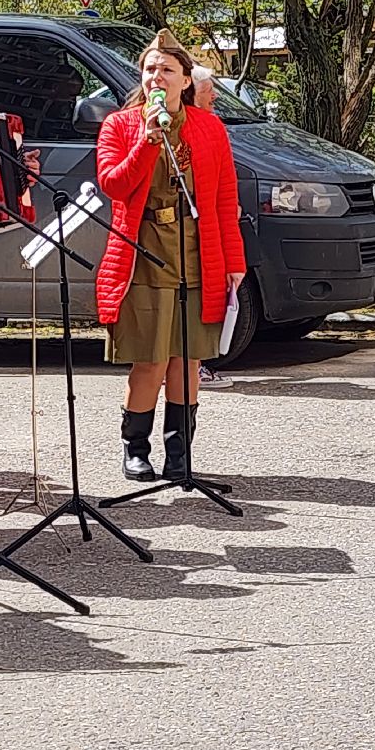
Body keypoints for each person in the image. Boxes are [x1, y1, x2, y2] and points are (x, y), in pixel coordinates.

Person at [95, 29, 245, 481]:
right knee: (152, 359)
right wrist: (147, 140)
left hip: (198, 254)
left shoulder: (210, 127)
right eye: (149, 69)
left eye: (167, 70)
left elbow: (223, 199)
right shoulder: (120, 125)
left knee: (188, 358)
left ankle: (179, 454)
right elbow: (114, 185)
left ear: (185, 81)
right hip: (145, 254)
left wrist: (235, 264)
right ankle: (134, 447)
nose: (156, 77)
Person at [188, 64, 234, 390]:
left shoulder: (212, 126)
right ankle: (193, 367)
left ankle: (196, 365)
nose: (215, 95)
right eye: (208, 91)